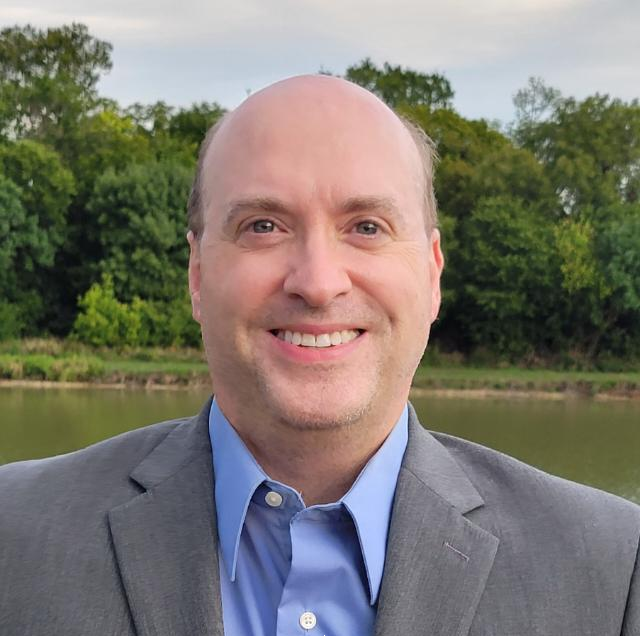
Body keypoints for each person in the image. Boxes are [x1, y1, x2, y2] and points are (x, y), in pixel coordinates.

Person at [0, 75, 638, 636]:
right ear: (197, 274)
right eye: (263, 226)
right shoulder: (13, 534)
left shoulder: (613, 569)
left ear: (433, 274)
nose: (318, 282)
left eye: (367, 227)